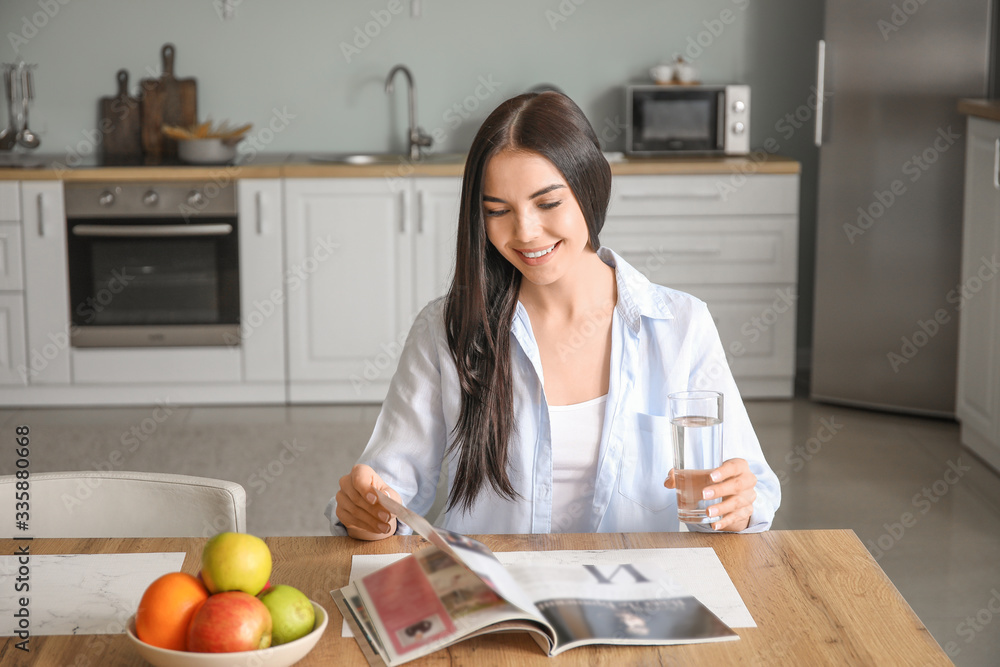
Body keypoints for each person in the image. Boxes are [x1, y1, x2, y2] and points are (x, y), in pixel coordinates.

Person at [326, 92, 780, 540]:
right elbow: (389, 491)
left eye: (547, 204)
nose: (524, 232)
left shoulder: (682, 326)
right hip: (495, 601)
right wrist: (367, 512)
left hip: (636, 596)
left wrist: (739, 503)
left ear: (590, 187)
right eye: (498, 211)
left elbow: (752, 488)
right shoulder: (446, 330)